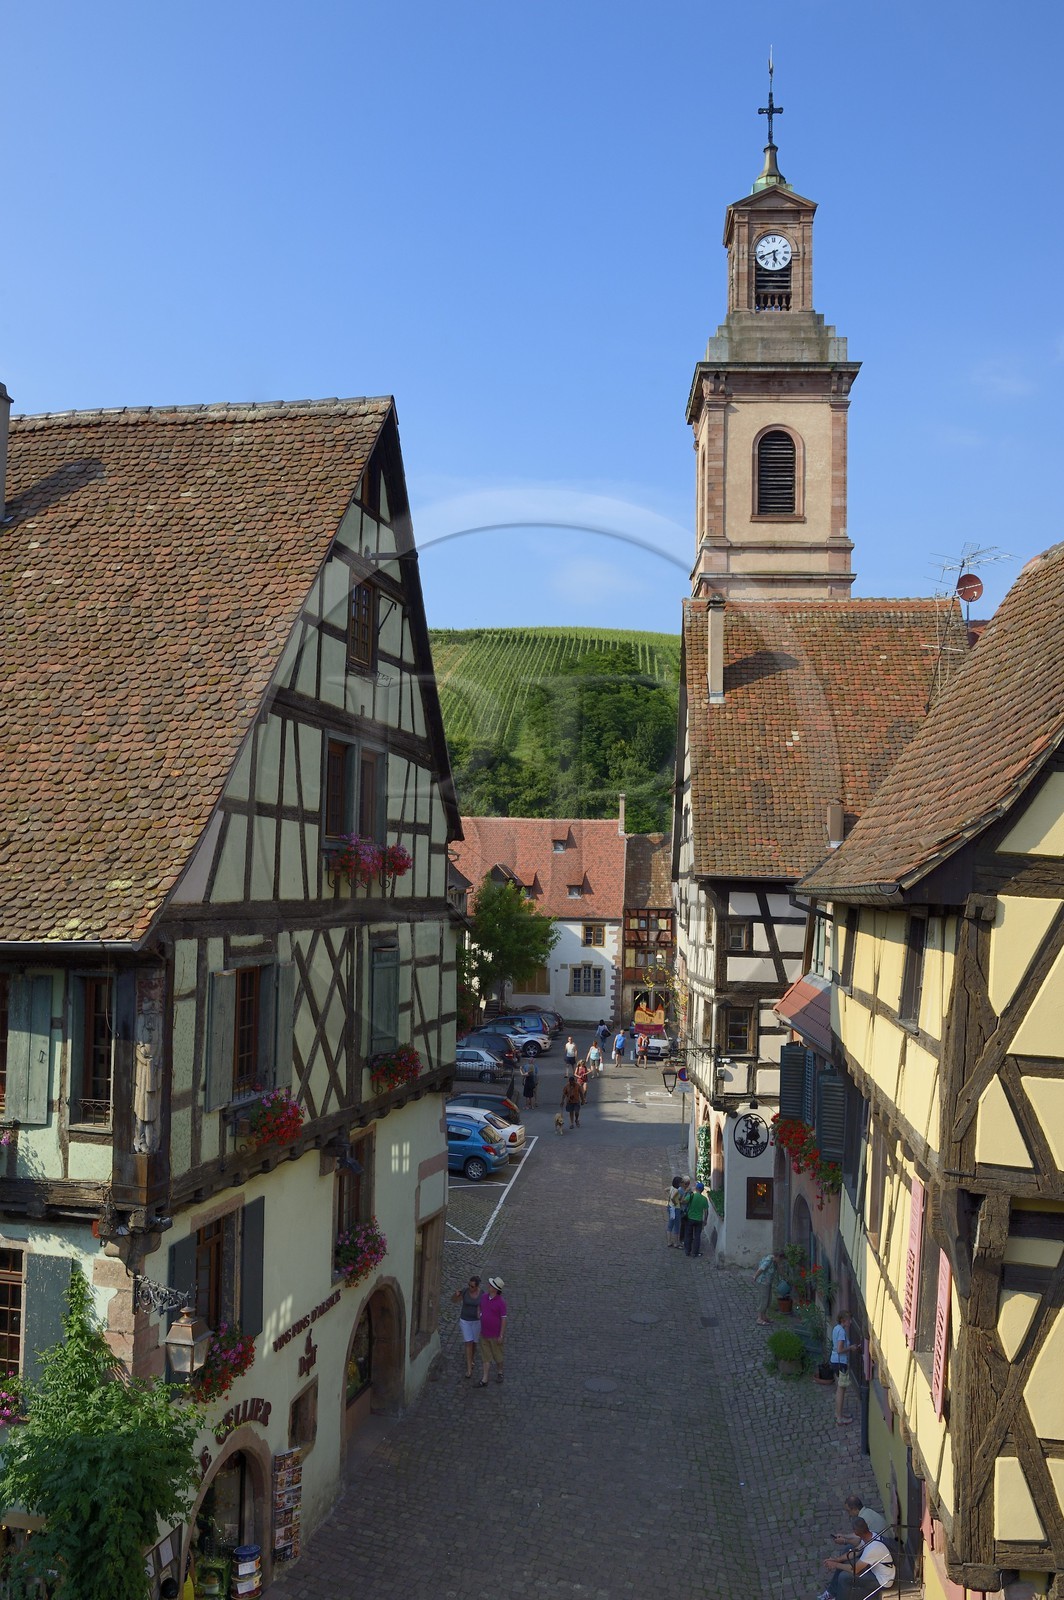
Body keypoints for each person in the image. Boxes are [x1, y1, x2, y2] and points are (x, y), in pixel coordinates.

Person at [819, 1518, 895, 1599]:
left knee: (844, 1577)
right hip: (875, 1570)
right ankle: (832, 1593)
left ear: (856, 1532)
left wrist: (835, 1565)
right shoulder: (871, 1535)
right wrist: (837, 1560)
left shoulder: (873, 1548)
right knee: (845, 1562)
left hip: (882, 1581)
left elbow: (855, 1569)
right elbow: (855, 1552)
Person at [452, 1274, 484, 1378]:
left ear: (477, 1286)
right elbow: (454, 1301)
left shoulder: (482, 1294)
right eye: (469, 1285)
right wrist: (455, 1295)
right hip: (465, 1320)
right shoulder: (465, 1291)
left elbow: (485, 1306)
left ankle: (472, 1358)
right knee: (468, 1342)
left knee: (474, 1342)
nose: (470, 1287)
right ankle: (469, 1369)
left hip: (476, 1322)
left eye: (472, 1286)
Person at [477, 1276, 507, 1385]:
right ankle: (484, 1378)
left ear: (495, 1289)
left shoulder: (501, 1302)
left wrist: (501, 1335)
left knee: (498, 1356)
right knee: (486, 1357)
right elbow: (479, 1307)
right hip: (484, 1333)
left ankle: (500, 1371)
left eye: (491, 1285)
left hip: (495, 1334)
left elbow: (503, 1319)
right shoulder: (484, 1297)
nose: (489, 1286)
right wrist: (480, 1314)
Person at [831, 1311, 858, 1424]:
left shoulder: (836, 1328)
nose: (850, 1322)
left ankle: (838, 1413)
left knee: (839, 1389)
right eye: (849, 1320)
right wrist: (851, 1348)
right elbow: (840, 1350)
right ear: (843, 1320)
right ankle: (839, 1417)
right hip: (840, 1362)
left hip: (834, 1360)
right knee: (841, 1390)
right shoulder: (842, 1332)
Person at [754, 1250, 786, 1324]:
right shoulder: (768, 1260)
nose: (781, 1261)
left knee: (768, 1300)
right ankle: (759, 1318)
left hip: (768, 1282)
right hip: (762, 1282)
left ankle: (764, 1316)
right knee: (763, 1299)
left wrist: (784, 1277)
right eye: (780, 1259)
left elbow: (779, 1270)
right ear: (777, 1257)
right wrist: (755, 1276)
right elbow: (761, 1269)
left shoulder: (775, 1262)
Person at [684, 1180, 710, 1257]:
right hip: (698, 1220)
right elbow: (706, 1211)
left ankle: (687, 1251)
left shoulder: (692, 1196)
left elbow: (684, 1201)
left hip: (690, 1218)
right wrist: (705, 1220)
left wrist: (685, 1193)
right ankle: (695, 1252)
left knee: (688, 1235)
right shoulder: (704, 1199)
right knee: (697, 1236)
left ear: (696, 1188)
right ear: (702, 1190)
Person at [666, 1175, 684, 1247]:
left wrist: (669, 1198)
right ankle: (676, 1243)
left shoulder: (671, 1188)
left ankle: (669, 1241)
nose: (682, 1183)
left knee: (670, 1225)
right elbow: (673, 1198)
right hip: (676, 1209)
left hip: (670, 1207)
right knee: (676, 1226)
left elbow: (665, 1190)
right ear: (678, 1183)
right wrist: (676, 1202)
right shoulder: (677, 1190)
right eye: (681, 1182)